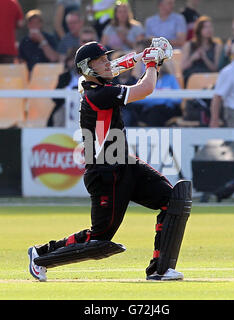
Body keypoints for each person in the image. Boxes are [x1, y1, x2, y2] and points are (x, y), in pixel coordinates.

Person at [27, 41, 192, 282]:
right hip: (105, 171)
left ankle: (160, 269)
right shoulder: (99, 93)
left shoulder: (97, 84)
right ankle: (41, 254)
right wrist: (152, 63)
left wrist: (141, 56)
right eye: (102, 60)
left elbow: (116, 67)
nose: (108, 62)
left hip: (124, 163)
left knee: (172, 200)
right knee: (100, 238)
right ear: (88, 67)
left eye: (107, 58)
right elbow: (145, 89)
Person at [181, 15, 222, 85]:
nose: (209, 29)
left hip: (209, 81)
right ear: (199, 30)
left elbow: (215, 69)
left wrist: (205, 58)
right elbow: (182, 68)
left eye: (210, 27)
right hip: (192, 79)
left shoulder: (217, 46)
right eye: (205, 27)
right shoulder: (188, 45)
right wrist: (193, 58)